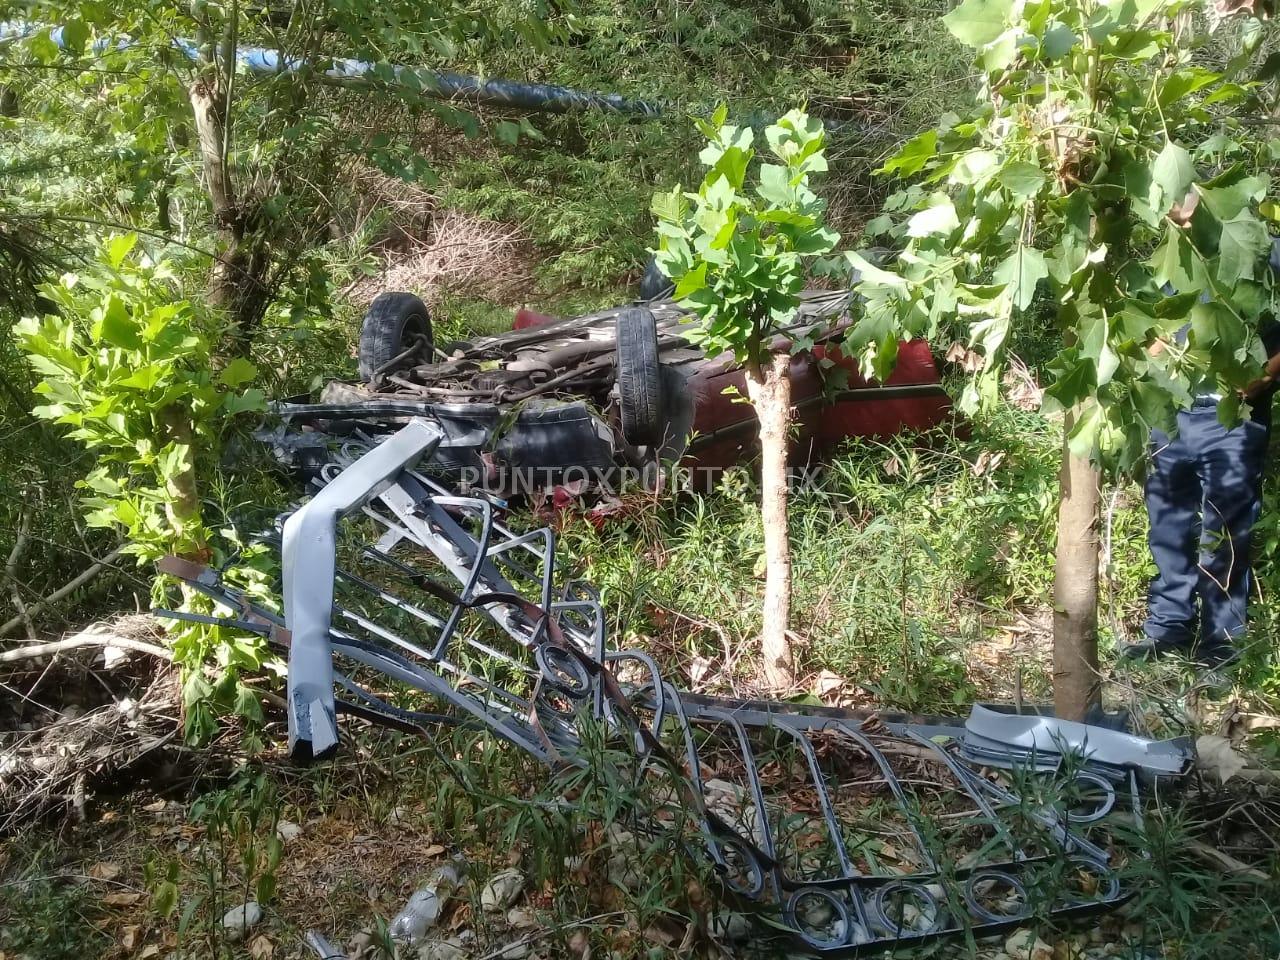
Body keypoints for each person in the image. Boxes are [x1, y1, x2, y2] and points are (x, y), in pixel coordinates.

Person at [1123, 194, 1280, 667]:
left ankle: (1222, 643)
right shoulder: (1169, 257)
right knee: (1167, 525)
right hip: (1172, 415)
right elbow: (1151, 321)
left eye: (1186, 215)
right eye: (1172, 218)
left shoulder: (1264, 253)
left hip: (1233, 419)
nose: (1179, 224)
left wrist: (1263, 379)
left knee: (1226, 531)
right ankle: (1167, 629)